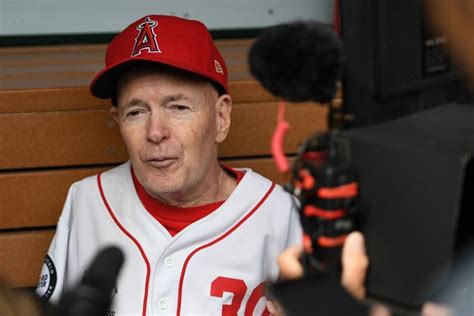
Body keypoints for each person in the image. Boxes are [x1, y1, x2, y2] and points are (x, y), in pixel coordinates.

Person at [35, 14, 303, 315]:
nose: (155, 132)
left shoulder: (281, 215)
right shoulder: (87, 202)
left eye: (178, 107)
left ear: (220, 118)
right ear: (118, 120)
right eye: (136, 112)